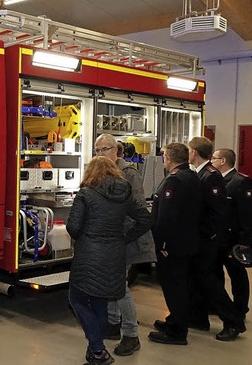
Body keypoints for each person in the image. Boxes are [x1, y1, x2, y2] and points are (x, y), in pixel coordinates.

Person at [67, 156, 151, 365]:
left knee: (77, 299)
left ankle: (98, 350)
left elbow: (73, 227)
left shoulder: (85, 194)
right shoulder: (125, 193)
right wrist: (124, 237)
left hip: (89, 255)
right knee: (100, 302)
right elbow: (145, 218)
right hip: (114, 254)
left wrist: (86, 238)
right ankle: (94, 351)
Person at [94, 134, 156, 356]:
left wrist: (121, 236)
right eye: (97, 150)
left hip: (123, 240)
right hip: (107, 240)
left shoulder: (129, 174)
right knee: (111, 284)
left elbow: (139, 212)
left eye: (105, 149)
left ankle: (131, 334)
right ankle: (113, 324)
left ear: (116, 150)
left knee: (120, 287)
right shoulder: (100, 174)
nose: (100, 154)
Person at [187, 137, 245, 341]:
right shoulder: (200, 174)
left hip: (207, 240)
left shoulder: (210, 176)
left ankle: (233, 321)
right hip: (200, 238)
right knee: (198, 280)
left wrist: (210, 237)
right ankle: (198, 317)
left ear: (194, 152)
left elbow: (217, 212)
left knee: (209, 282)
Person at [148, 142, 201, 345]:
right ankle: (174, 321)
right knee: (181, 285)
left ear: (168, 158)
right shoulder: (192, 176)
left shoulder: (175, 181)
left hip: (173, 245)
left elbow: (168, 217)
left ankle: (177, 332)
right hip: (186, 241)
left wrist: (163, 245)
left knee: (174, 287)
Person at [211, 148, 252, 320]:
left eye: (214, 159)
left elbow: (249, 215)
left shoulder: (240, 182)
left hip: (234, 240)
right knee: (216, 274)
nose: (211, 162)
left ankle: (240, 308)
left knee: (237, 276)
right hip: (218, 238)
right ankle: (218, 305)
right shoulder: (217, 181)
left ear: (223, 161)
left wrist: (245, 242)